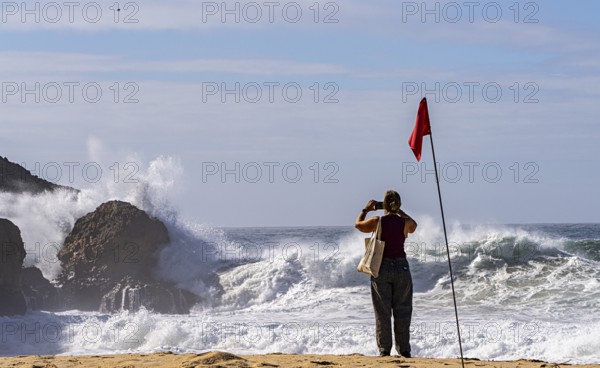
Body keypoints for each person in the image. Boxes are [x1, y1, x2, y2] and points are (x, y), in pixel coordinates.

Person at [355, 190, 417, 357]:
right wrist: (398, 211)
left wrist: (366, 209)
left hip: (382, 266)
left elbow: (358, 224)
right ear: (399, 205)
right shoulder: (404, 222)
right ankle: (404, 350)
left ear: (384, 204)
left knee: (383, 311)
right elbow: (414, 225)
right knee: (403, 310)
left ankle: (384, 351)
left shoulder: (378, 221)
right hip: (402, 267)